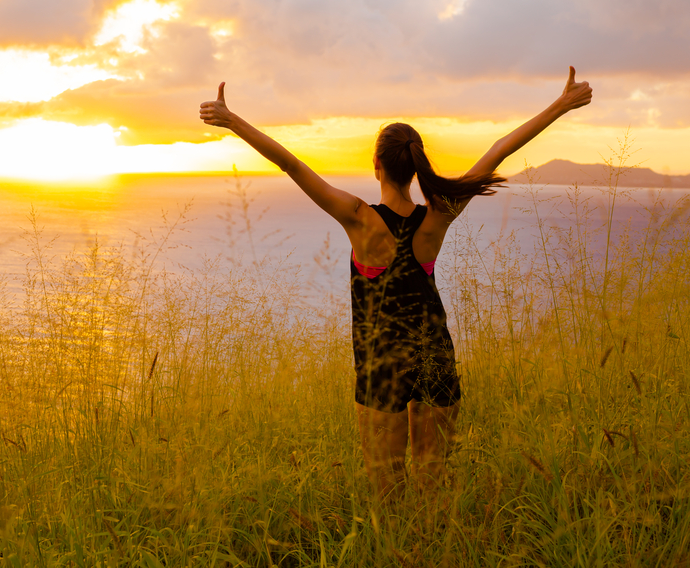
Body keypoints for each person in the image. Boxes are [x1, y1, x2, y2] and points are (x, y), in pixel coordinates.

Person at [199, 67, 593, 497]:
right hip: (434, 355)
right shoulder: (439, 214)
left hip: (380, 366)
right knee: (432, 481)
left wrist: (231, 120)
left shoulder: (358, 218)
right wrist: (561, 104)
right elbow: (499, 149)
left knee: (384, 490)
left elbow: (290, 163)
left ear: (377, 166)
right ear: (414, 166)